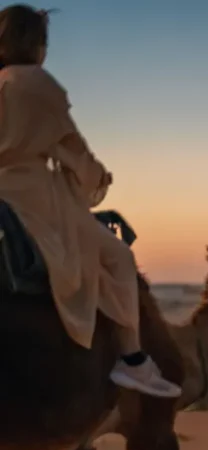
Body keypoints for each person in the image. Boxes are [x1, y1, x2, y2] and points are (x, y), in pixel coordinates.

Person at [0, 4, 180, 398]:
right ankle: (132, 361)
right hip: (31, 197)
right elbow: (71, 152)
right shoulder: (35, 84)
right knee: (118, 257)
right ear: (37, 44)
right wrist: (98, 178)